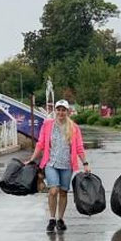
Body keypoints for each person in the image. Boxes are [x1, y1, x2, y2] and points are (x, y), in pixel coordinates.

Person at [27, 99, 90, 233]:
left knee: (63, 192)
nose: (61, 112)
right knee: (53, 190)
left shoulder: (74, 127)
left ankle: (60, 219)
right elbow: (40, 144)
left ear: (67, 112)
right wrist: (32, 159)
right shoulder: (48, 125)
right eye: (59, 110)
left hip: (67, 165)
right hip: (51, 163)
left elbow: (79, 147)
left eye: (63, 110)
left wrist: (85, 163)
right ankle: (51, 219)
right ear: (55, 111)